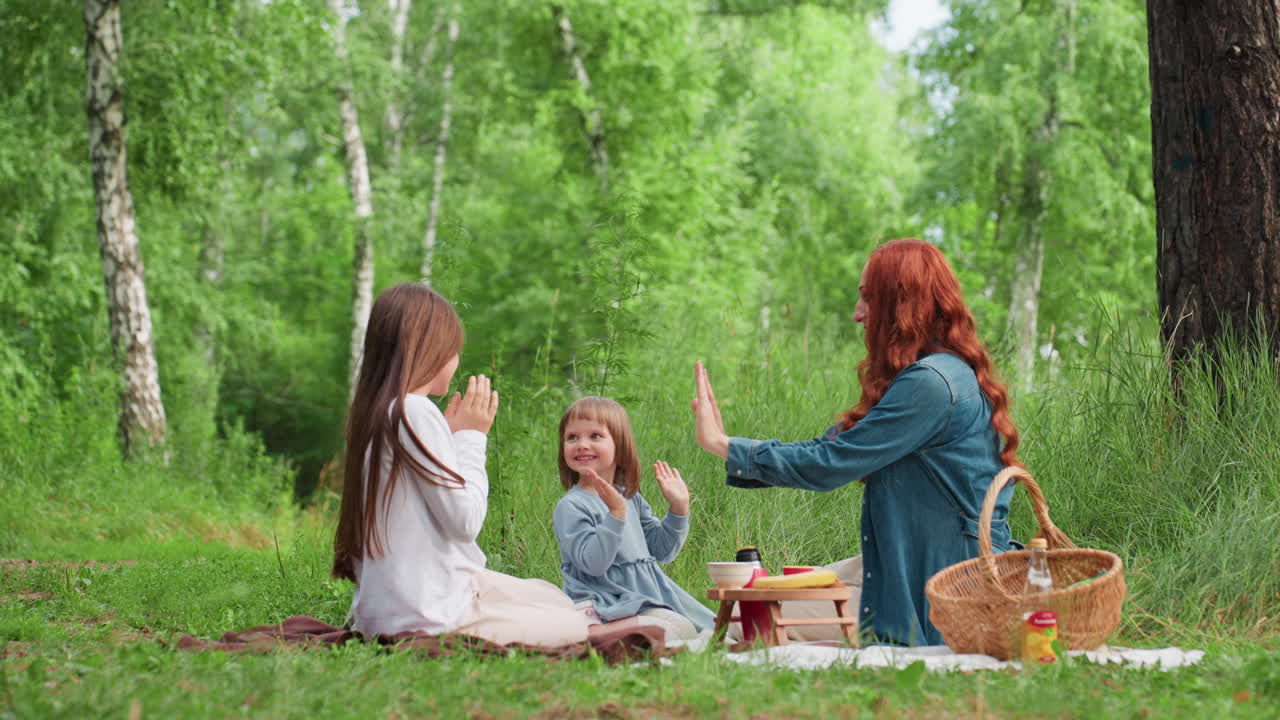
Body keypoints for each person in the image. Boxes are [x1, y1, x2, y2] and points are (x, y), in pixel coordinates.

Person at [691, 238, 1022, 646]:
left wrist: (722, 444)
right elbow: (827, 449)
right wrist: (732, 446)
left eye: (868, 299)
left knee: (748, 622)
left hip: (950, 584)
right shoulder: (932, 375)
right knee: (761, 601)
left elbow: (830, 463)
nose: (857, 314)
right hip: (926, 560)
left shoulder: (931, 385)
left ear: (901, 305)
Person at [332, 283, 589, 647]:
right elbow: (464, 522)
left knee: (550, 596)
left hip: (389, 608)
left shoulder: (383, 412)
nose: (456, 360)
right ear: (427, 348)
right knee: (573, 624)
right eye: (453, 349)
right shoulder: (415, 412)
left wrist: (449, 439)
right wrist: (472, 438)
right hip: (427, 616)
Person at [553, 397, 716, 641]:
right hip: (609, 601)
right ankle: (598, 632)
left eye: (595, 436)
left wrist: (678, 508)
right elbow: (593, 565)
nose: (581, 444)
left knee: (717, 625)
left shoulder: (630, 497)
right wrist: (615, 516)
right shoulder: (571, 506)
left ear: (620, 445)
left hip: (649, 597)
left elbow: (663, 551)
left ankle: (635, 631)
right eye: (572, 437)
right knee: (678, 628)